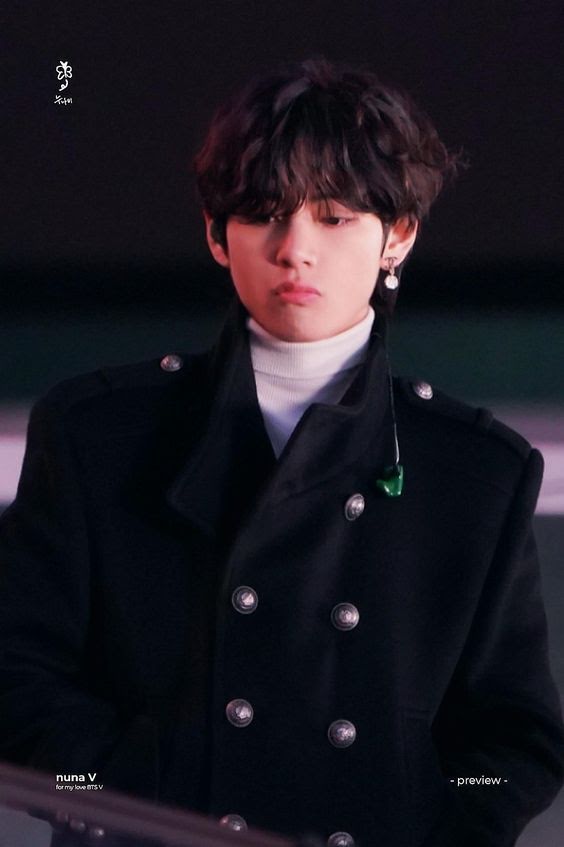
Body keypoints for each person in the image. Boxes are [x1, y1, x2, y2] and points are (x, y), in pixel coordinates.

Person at [0, 58, 563, 847]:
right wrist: (118, 793)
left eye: (335, 216)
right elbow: (16, 682)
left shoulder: (477, 473)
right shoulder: (96, 435)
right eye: (265, 213)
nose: (295, 249)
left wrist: (439, 821)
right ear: (215, 233)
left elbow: (511, 746)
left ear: (398, 235)